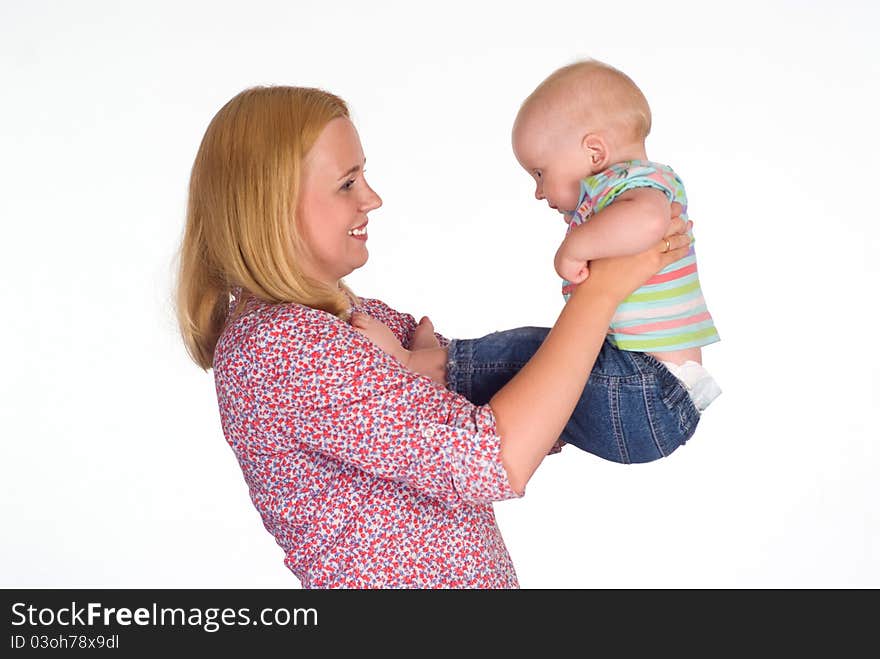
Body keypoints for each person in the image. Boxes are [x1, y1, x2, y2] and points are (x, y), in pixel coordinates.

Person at [175, 85, 692, 588]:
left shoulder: (348, 316)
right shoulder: (279, 346)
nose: (372, 199)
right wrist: (600, 292)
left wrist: (473, 390)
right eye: (347, 183)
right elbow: (497, 456)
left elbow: (526, 406)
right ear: (270, 206)